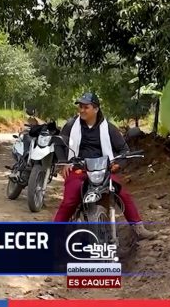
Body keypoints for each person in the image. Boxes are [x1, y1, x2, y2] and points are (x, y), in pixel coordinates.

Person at [53, 92, 156, 239]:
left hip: (104, 170)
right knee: (69, 201)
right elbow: (58, 143)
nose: (81, 110)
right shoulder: (71, 125)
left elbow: (124, 150)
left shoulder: (109, 128)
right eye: (80, 107)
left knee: (123, 194)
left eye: (85, 107)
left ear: (95, 109)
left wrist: (117, 164)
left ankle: (139, 229)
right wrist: (64, 162)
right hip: (79, 169)